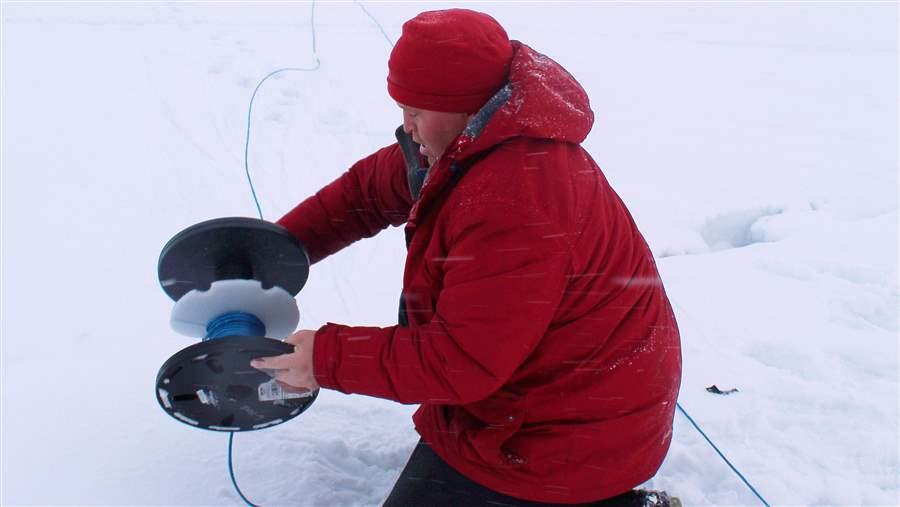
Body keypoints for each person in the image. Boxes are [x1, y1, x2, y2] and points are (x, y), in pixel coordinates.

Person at [251, 8, 682, 506]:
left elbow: (460, 364)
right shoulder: (471, 140)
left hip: (571, 439)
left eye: (416, 113)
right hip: (535, 401)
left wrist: (323, 358)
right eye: (403, 109)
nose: (406, 128)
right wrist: (278, 249)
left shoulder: (517, 197)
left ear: (463, 106)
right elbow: (365, 192)